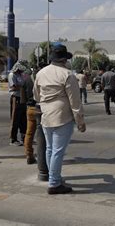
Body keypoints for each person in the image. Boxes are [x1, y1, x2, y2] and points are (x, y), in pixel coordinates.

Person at [33, 44, 86, 195]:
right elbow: (75, 102)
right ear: (65, 59)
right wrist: (80, 121)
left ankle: (54, 178)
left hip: (46, 115)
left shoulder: (41, 73)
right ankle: (54, 183)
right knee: (57, 151)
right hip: (62, 115)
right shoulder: (67, 74)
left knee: (50, 149)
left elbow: (36, 95)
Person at [8, 62, 27, 146]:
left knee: (23, 118)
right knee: (15, 118)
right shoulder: (12, 75)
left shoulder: (21, 75)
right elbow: (13, 87)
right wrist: (22, 87)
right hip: (16, 98)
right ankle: (13, 138)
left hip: (22, 98)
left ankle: (23, 137)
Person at [21, 68, 37, 164]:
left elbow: (23, 99)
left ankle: (29, 155)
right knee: (45, 134)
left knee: (29, 133)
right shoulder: (44, 78)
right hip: (41, 108)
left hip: (30, 108)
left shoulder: (26, 80)